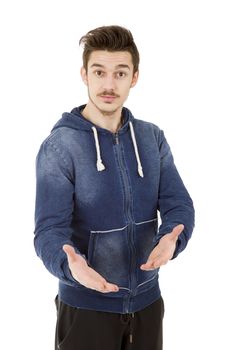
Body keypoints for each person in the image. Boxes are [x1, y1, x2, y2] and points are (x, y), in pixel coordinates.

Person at [34, 25, 195, 350]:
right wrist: (72, 266)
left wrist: (170, 240)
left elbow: (179, 205)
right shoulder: (60, 147)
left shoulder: (151, 139)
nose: (109, 84)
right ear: (85, 74)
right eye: (99, 72)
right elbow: (48, 231)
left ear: (134, 76)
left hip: (148, 305)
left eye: (120, 73)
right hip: (86, 308)